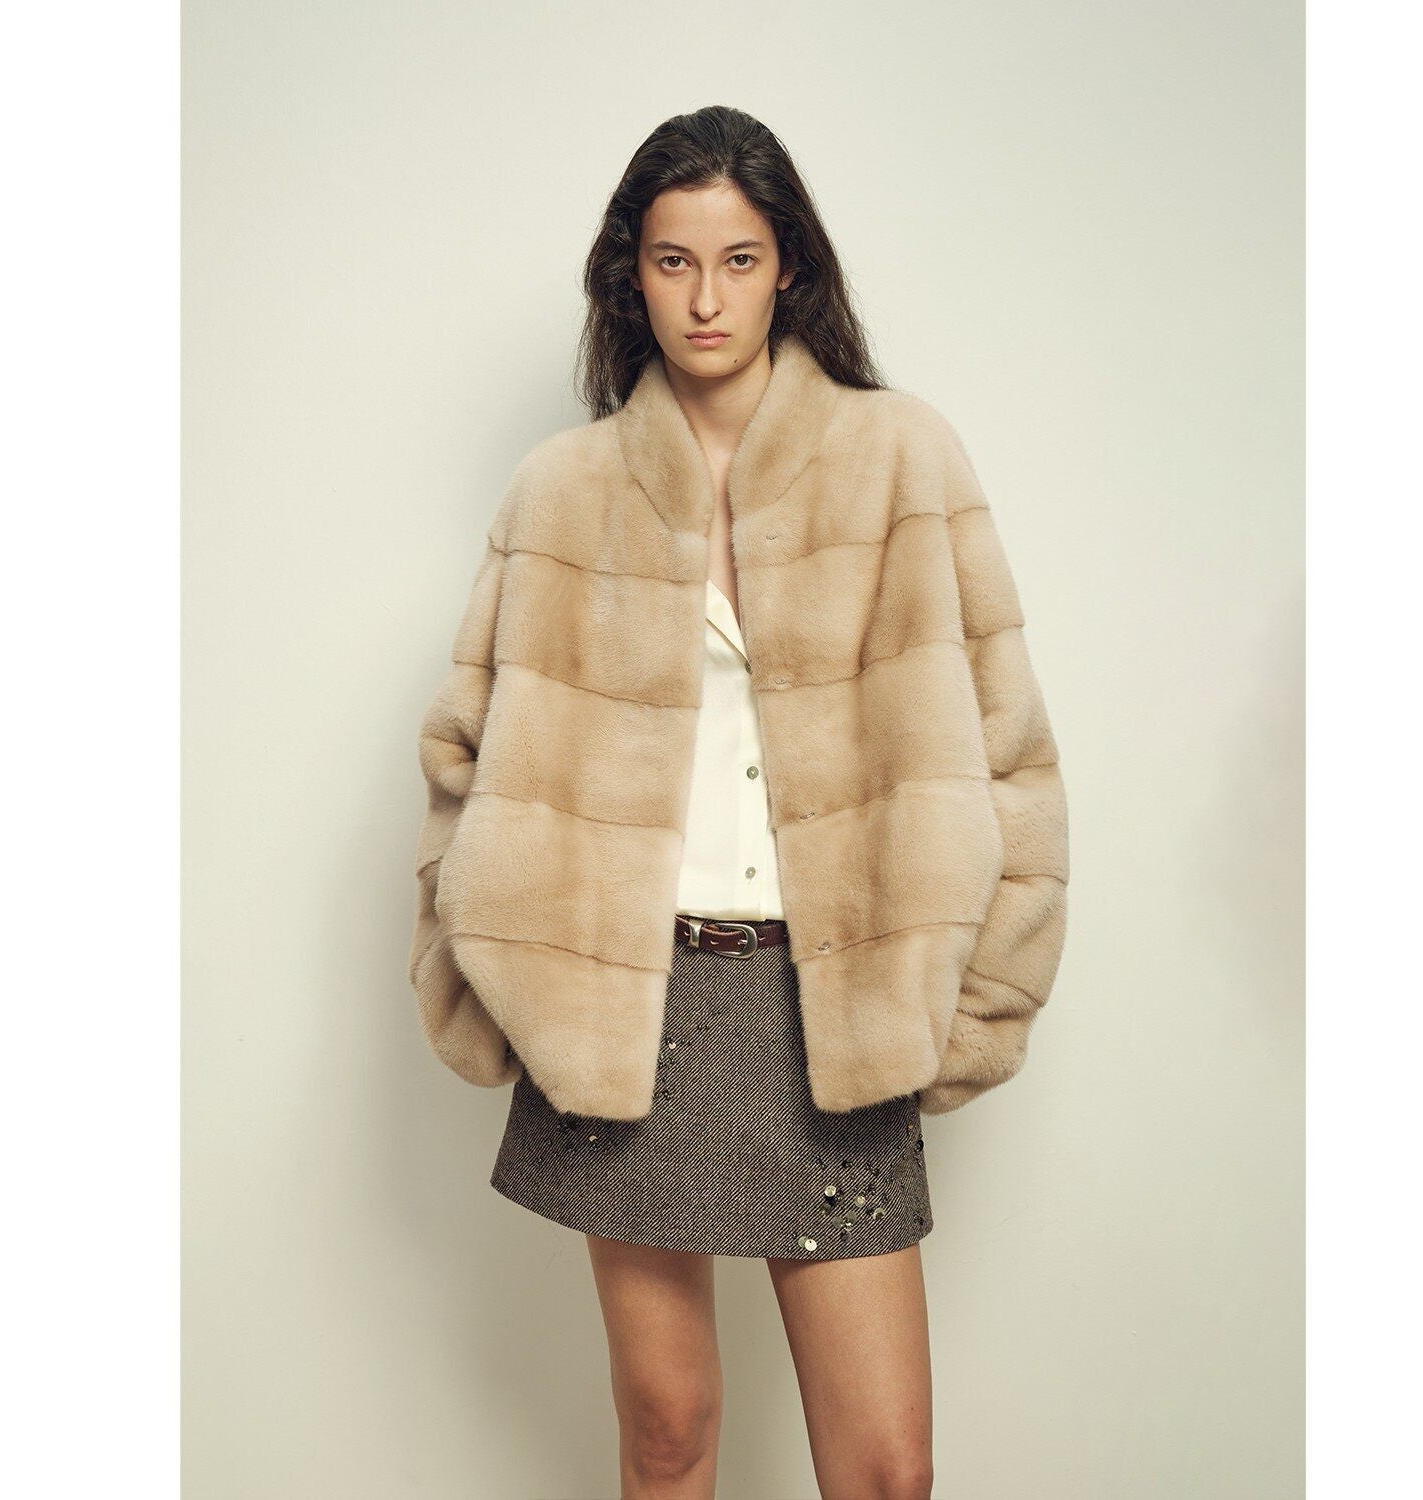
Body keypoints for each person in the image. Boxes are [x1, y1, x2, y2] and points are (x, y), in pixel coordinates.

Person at [409, 104, 1069, 1500]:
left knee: (885, 1471)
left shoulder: (904, 461)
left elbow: (1009, 750)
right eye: (673, 261)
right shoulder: (560, 491)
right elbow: (463, 760)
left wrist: (979, 1002)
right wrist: (489, 982)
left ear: (789, 272)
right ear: (630, 278)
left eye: (739, 259)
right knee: (666, 1435)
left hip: (832, 1008)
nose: (705, 298)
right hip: (626, 1013)